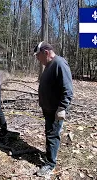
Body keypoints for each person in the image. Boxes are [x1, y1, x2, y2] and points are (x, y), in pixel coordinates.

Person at [33, 41, 73, 177]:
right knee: (50, 134)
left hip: (55, 110)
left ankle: (50, 164)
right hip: (48, 108)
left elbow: (68, 89)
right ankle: (50, 154)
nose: (37, 59)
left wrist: (62, 108)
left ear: (46, 53)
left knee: (52, 135)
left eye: (38, 56)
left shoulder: (59, 64)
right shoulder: (49, 65)